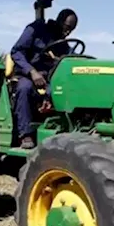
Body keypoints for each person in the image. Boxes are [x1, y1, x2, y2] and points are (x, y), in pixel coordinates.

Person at [10, 9, 78, 148]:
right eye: (67, 27)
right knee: (25, 88)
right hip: (27, 75)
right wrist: (32, 72)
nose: (68, 32)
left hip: (47, 81)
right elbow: (16, 52)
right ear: (60, 21)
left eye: (71, 29)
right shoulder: (36, 29)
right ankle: (25, 135)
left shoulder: (62, 43)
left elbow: (70, 58)